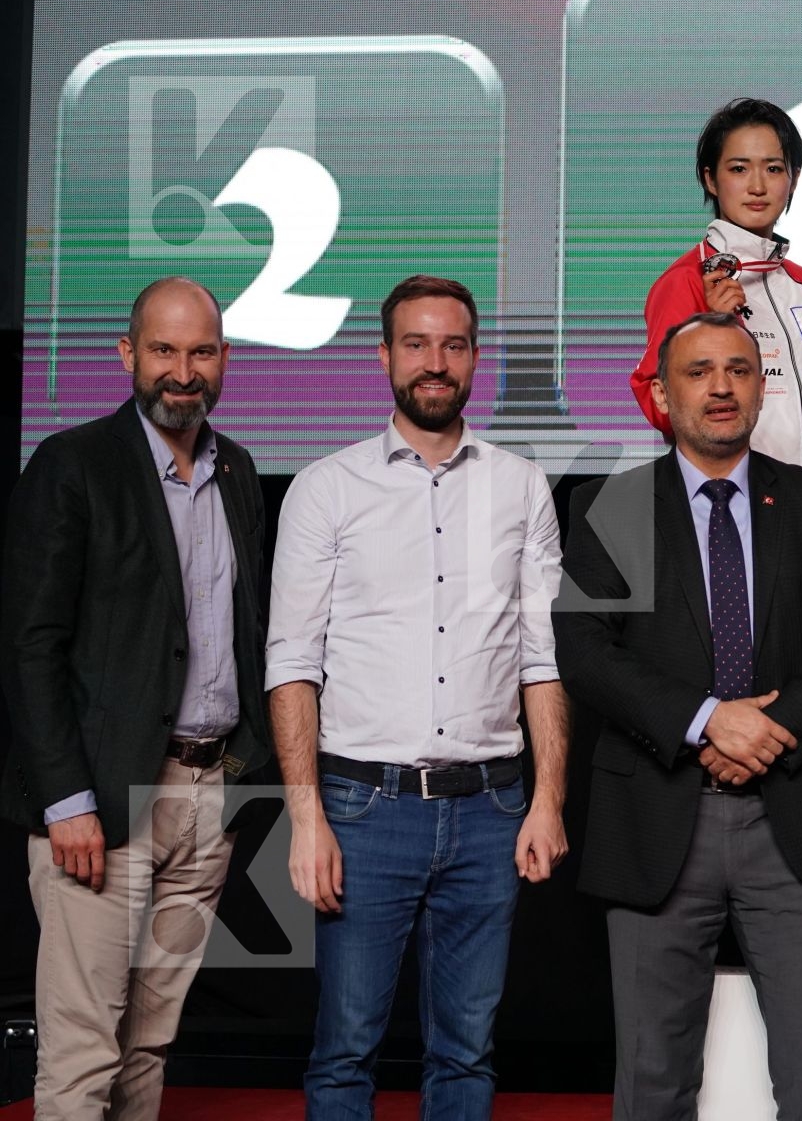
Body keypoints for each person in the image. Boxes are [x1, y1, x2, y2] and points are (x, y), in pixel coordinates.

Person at [558, 312, 802, 1120]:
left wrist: (762, 733)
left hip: (797, 818)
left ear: (761, 387)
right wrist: (709, 720)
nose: (721, 387)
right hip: (656, 820)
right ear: (663, 394)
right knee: (654, 1081)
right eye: (699, 371)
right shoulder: (615, 502)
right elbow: (587, 653)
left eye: (740, 370)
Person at [267, 274, 569, 1118]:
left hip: (490, 811)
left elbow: (540, 660)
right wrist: (306, 818)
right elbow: (292, 662)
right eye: (416, 344)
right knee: (344, 1053)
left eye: (453, 344)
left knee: (466, 1056)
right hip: (364, 809)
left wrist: (548, 802)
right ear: (384, 357)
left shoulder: (521, 486)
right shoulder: (326, 488)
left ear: (475, 358)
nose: (435, 363)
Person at [0, 277, 269, 1120]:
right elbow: (30, 644)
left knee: (149, 1045)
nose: (182, 372)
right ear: (128, 355)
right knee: (84, 1053)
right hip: (101, 800)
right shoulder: (73, 464)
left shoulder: (240, 471)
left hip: (203, 794)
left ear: (223, 359)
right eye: (164, 350)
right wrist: (65, 800)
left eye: (200, 352)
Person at [630, 97, 802, 470]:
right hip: (731, 505)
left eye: (774, 169)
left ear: (794, 179)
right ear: (711, 179)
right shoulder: (685, 282)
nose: (757, 186)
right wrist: (711, 332)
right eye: (739, 169)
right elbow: (657, 405)